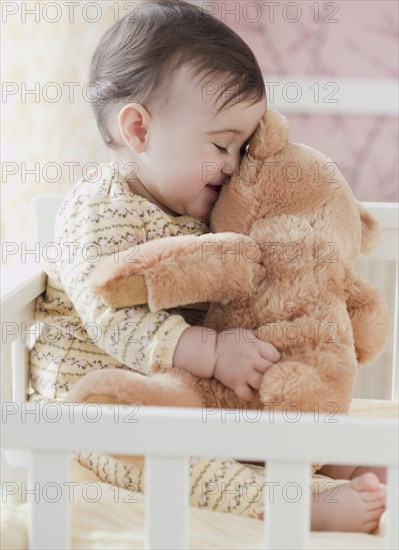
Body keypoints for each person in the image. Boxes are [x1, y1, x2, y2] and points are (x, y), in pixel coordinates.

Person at [30, 0, 386, 532]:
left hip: (183, 386)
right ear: (139, 131)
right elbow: (111, 316)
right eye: (222, 144)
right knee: (165, 455)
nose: (234, 164)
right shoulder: (98, 212)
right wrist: (211, 350)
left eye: (243, 146)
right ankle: (290, 505)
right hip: (93, 399)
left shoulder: (199, 205)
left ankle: (318, 454)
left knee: (226, 423)